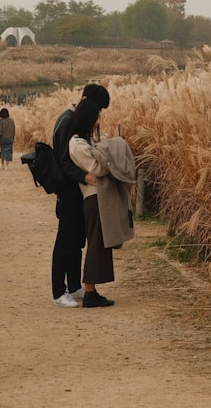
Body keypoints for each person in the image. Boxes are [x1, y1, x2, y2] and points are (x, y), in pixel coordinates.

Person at [68, 98, 135, 308]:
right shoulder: (77, 143)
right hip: (95, 198)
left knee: (101, 244)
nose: (99, 120)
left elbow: (103, 161)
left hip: (102, 197)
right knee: (96, 243)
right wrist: (111, 155)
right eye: (97, 116)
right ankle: (89, 293)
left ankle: (92, 291)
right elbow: (98, 168)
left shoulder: (89, 141)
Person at [50, 84, 110, 308]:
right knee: (65, 240)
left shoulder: (77, 119)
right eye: (98, 109)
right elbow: (64, 159)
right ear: (86, 101)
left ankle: (74, 286)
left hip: (76, 191)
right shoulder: (67, 121)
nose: (100, 114)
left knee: (76, 241)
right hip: (68, 190)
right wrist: (85, 177)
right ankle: (58, 291)